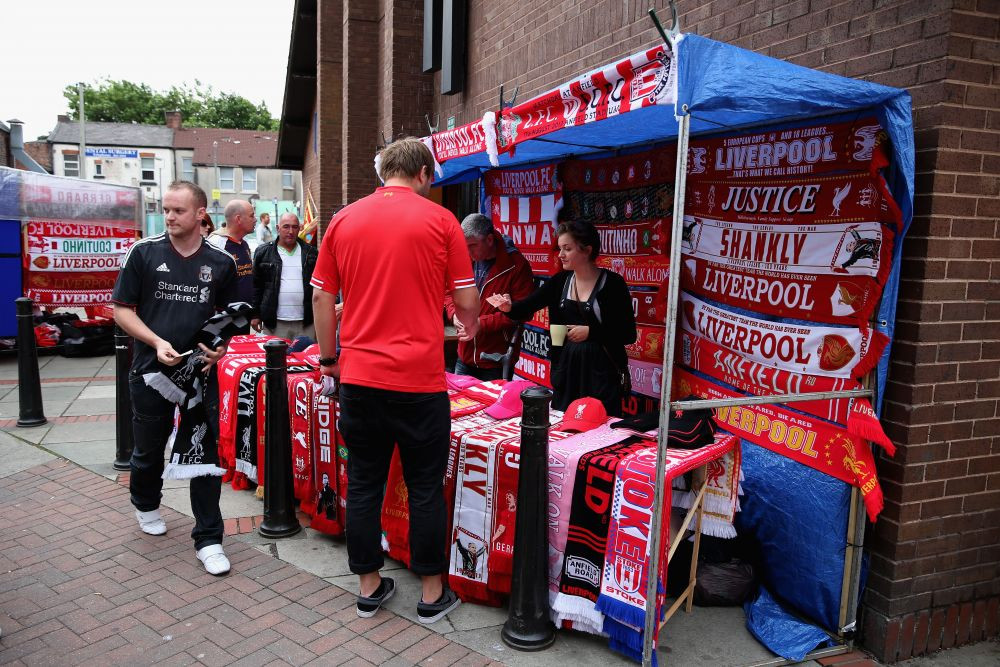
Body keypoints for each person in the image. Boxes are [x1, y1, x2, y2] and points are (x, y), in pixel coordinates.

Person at [311, 137, 479, 623]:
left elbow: (322, 299)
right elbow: (467, 300)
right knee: (425, 486)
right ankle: (431, 593)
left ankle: (368, 586)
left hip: (360, 378)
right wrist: (468, 325)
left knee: (363, 483)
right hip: (419, 380)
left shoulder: (344, 219)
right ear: (425, 173)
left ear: (383, 172)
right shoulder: (441, 220)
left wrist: (328, 359)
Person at [112, 181, 238, 575]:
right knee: (148, 451)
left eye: (178, 210)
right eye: (165, 209)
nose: (169, 217)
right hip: (151, 373)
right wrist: (155, 340)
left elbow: (230, 317)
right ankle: (145, 502)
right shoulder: (144, 252)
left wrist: (221, 348)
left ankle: (209, 539)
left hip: (200, 375)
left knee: (205, 454)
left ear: (200, 213)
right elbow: (121, 310)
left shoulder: (222, 263)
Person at [488, 219, 636, 416]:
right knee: (563, 426)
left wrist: (591, 332)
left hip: (602, 376)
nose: (561, 255)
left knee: (599, 426)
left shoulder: (612, 284)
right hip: (567, 372)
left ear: (587, 250)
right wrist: (508, 307)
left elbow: (628, 333)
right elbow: (528, 306)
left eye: (567, 249)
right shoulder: (560, 282)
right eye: (560, 248)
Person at [444, 214, 534, 381]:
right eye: (465, 247)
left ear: (490, 239)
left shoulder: (516, 265)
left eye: (472, 246)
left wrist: (480, 324)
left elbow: (522, 312)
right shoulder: (463, 259)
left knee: (491, 407)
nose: (468, 252)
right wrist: (454, 314)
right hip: (464, 355)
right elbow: (449, 291)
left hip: (495, 359)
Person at [250, 213, 318, 339]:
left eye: (295, 227)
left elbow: (319, 286)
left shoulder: (311, 253)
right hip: (275, 323)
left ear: (300, 228)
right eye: (286, 227)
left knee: (304, 358)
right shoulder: (263, 252)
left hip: (306, 322)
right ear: (278, 228)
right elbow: (256, 286)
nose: (290, 231)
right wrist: (255, 315)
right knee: (275, 358)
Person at [207, 200, 256, 308]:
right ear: (238, 219)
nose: (255, 219)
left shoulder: (244, 244)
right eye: (252, 216)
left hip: (243, 315)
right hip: (224, 319)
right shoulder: (216, 243)